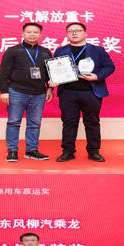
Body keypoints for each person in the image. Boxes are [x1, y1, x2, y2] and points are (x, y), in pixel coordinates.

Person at [51, 22, 115, 163]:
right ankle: (68, 152)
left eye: (78, 30)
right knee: (69, 122)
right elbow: (55, 69)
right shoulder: (60, 51)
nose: (74, 33)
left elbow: (110, 67)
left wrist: (97, 76)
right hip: (68, 92)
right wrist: (53, 81)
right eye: (71, 31)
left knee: (92, 122)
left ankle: (94, 151)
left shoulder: (98, 50)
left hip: (91, 92)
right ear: (67, 34)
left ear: (85, 33)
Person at [0, 22, 53, 162]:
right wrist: (4, 91)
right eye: (29, 32)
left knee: (35, 123)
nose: (32, 34)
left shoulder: (45, 51)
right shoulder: (13, 51)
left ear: (40, 35)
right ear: (23, 33)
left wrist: (50, 88)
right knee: (13, 122)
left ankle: (31, 150)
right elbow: (4, 73)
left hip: (39, 93)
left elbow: (49, 73)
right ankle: (12, 150)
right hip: (17, 91)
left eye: (35, 32)